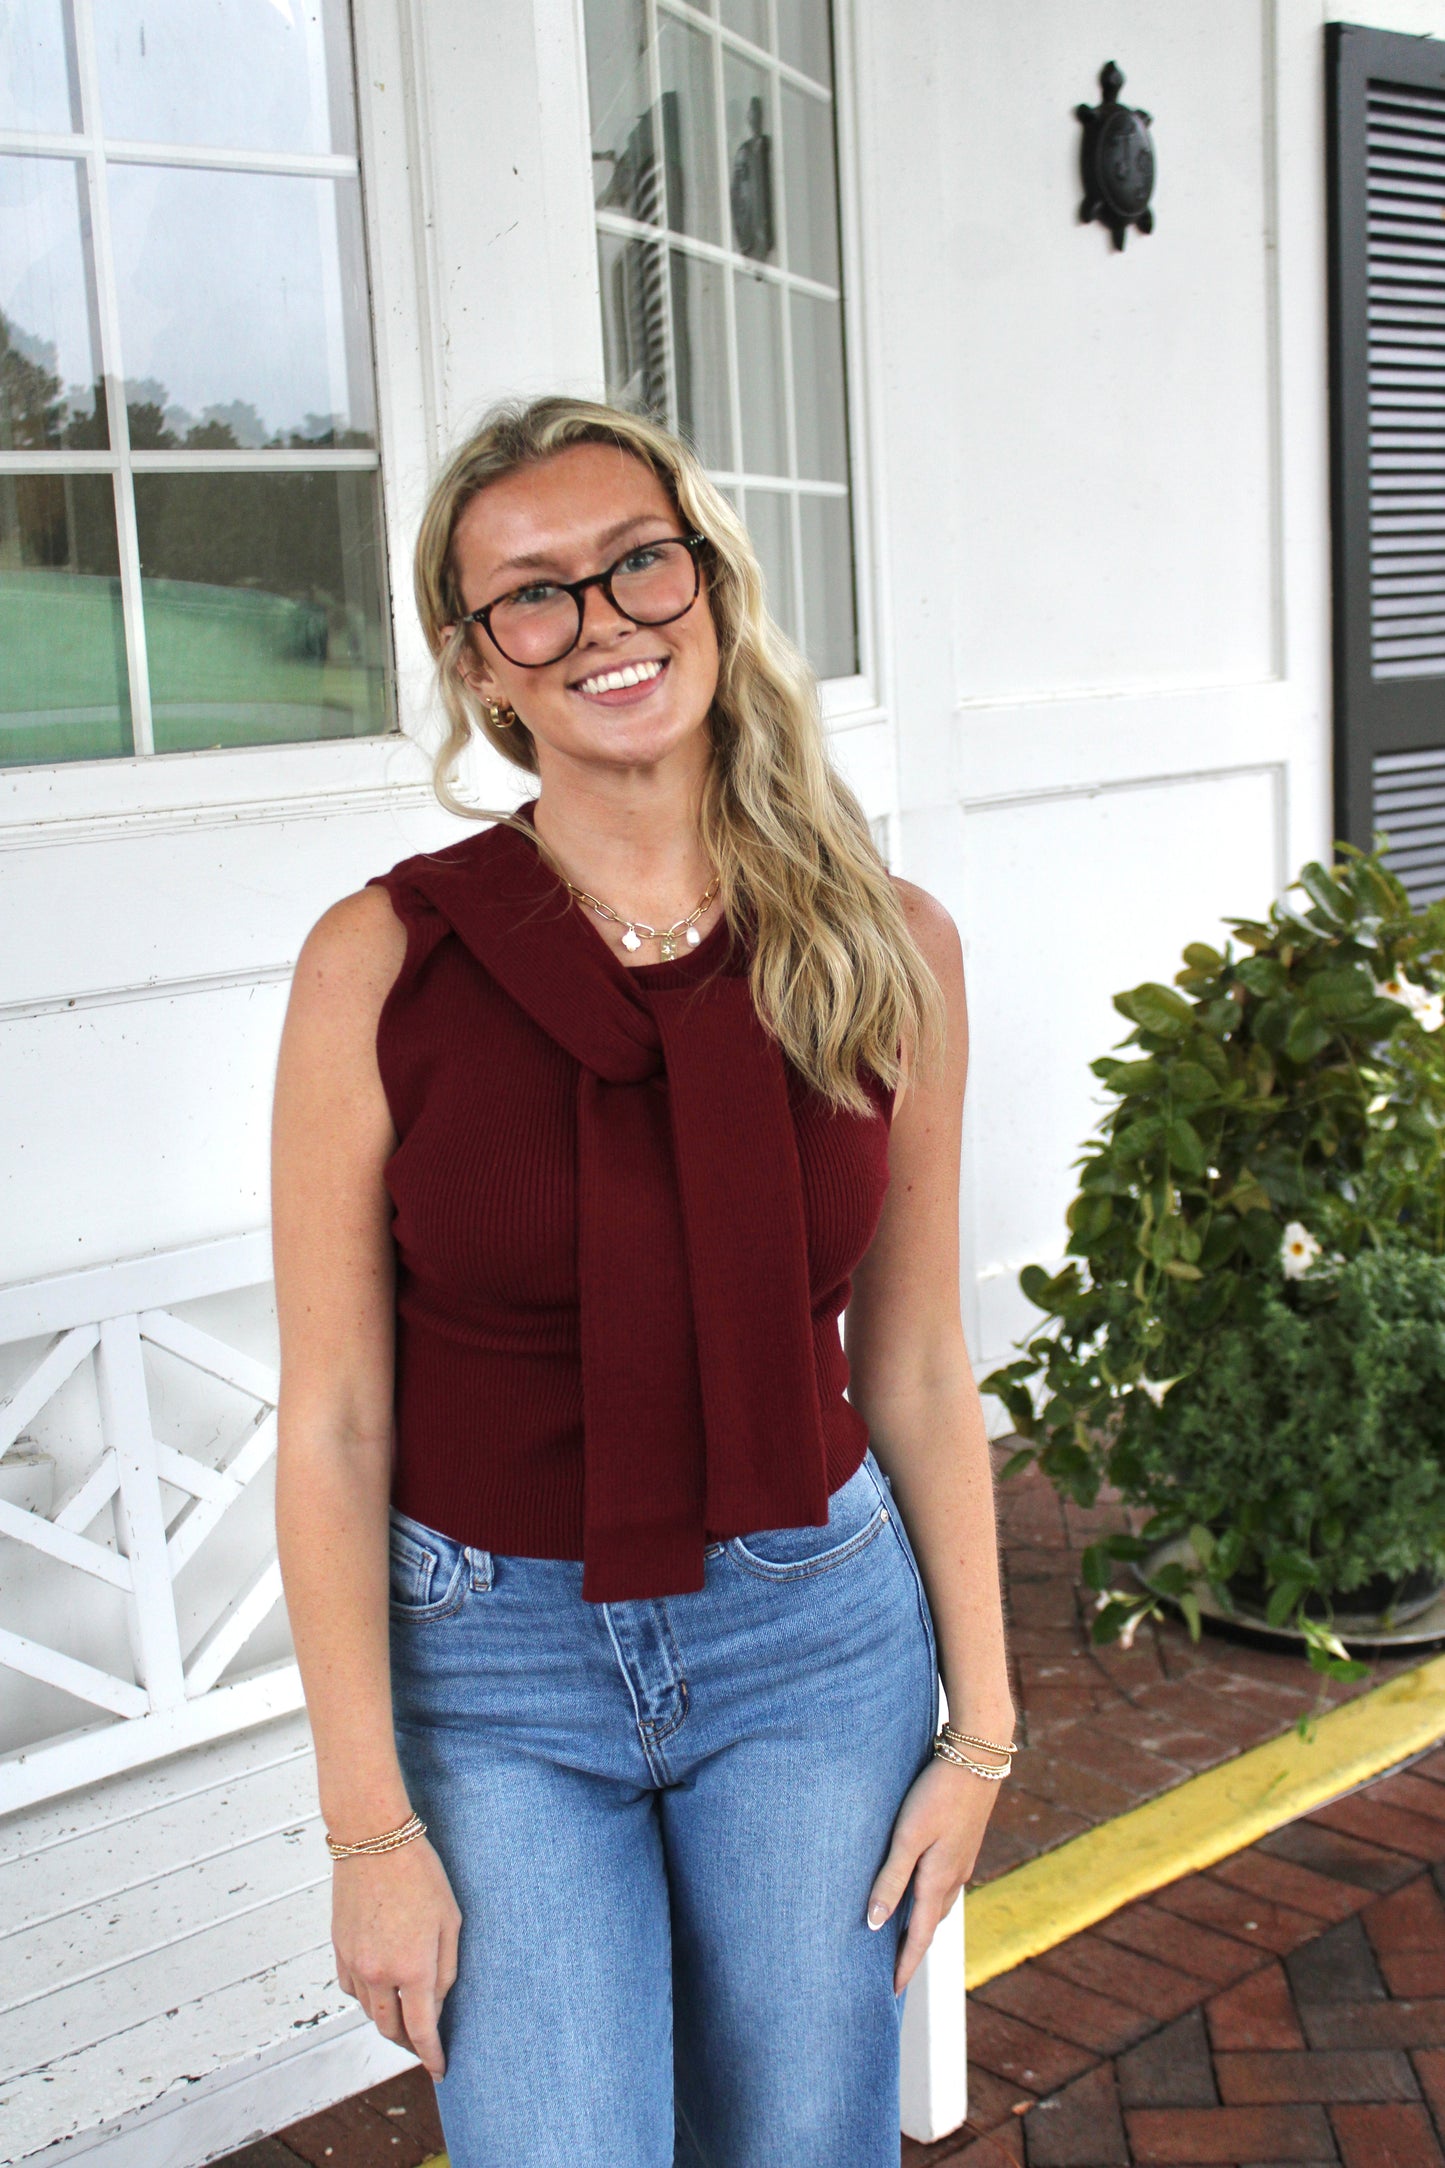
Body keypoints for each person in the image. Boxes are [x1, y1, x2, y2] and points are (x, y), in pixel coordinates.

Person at [270, 395, 1014, 2167]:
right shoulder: (378, 965)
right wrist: (364, 1827)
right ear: (479, 668)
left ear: (708, 584)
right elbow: (338, 1421)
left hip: (811, 1641)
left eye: (636, 564)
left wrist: (981, 1726)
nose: (602, 622)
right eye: (534, 597)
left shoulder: (885, 947)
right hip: (493, 1668)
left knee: (801, 2140)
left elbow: (911, 1359)